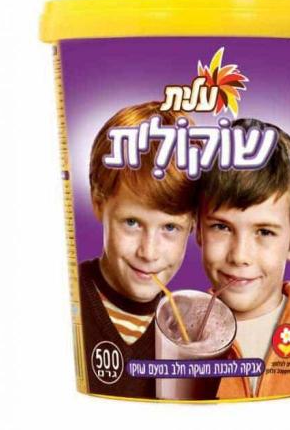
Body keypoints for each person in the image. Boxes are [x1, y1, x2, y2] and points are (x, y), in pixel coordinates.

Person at [79, 101, 198, 398]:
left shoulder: (183, 331)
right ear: (98, 202)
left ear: (193, 224)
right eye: (131, 222)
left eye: (170, 227)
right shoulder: (69, 297)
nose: (149, 252)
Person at [197, 118, 290, 399]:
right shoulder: (174, 336)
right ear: (198, 229)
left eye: (264, 232)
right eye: (221, 227)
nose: (240, 256)